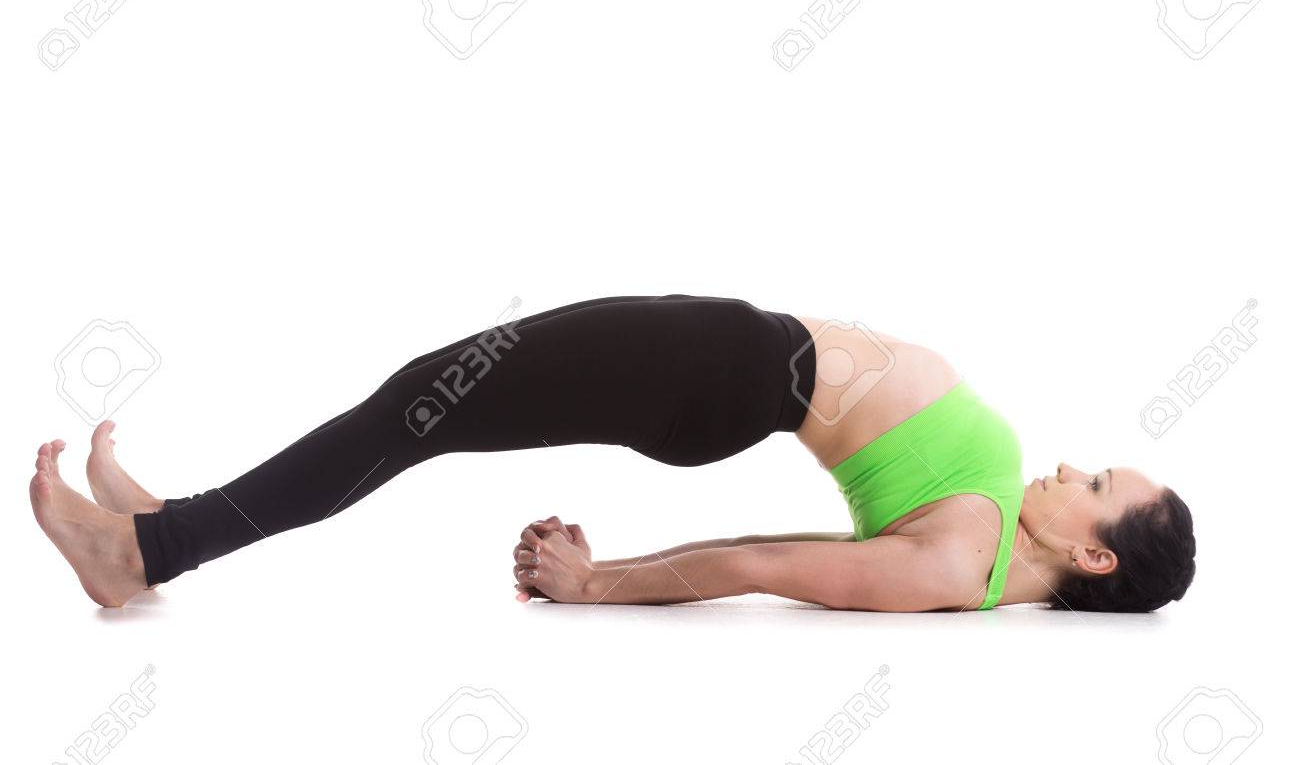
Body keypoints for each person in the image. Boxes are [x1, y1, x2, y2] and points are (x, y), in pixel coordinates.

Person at [29, 294, 1195, 612]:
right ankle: (173, 519)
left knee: (417, 407)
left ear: (1095, 555)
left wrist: (594, 582)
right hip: (727, 361)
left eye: (1096, 487)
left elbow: (761, 562)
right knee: (419, 398)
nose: (1071, 468)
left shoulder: (954, 564)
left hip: (716, 374)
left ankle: (148, 551)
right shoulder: (987, 532)